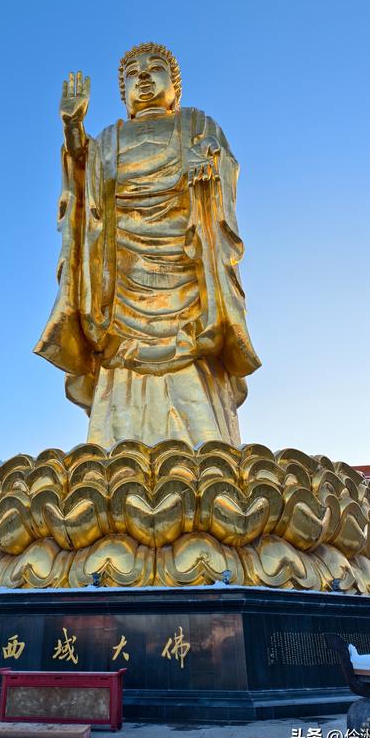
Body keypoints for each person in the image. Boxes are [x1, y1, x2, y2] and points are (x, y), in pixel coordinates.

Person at [35, 43, 260, 448]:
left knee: (194, 384)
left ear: (175, 87)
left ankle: (209, 452)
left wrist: (207, 169)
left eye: (154, 69)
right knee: (121, 377)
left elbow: (222, 165)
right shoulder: (108, 138)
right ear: (122, 94)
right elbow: (83, 189)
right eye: (130, 75)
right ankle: (113, 453)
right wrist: (73, 131)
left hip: (186, 274)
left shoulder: (195, 124)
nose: (142, 77)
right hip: (121, 282)